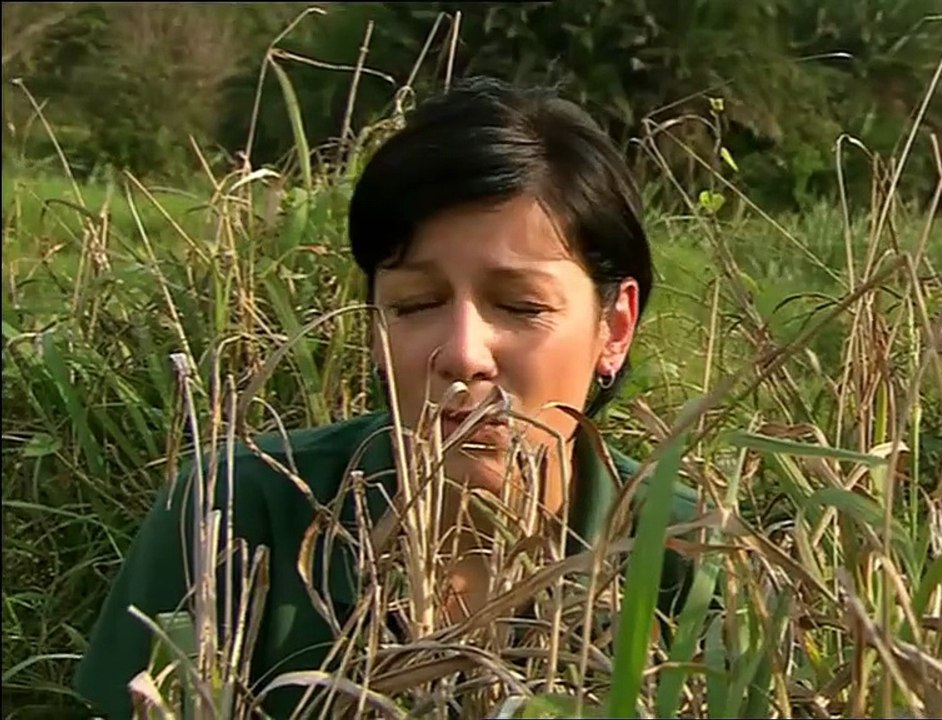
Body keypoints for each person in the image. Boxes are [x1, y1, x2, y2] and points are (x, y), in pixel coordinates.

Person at [73, 76, 698, 719]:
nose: (462, 354)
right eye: (415, 305)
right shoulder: (231, 514)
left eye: (520, 305)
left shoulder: (692, 561)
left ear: (614, 327)